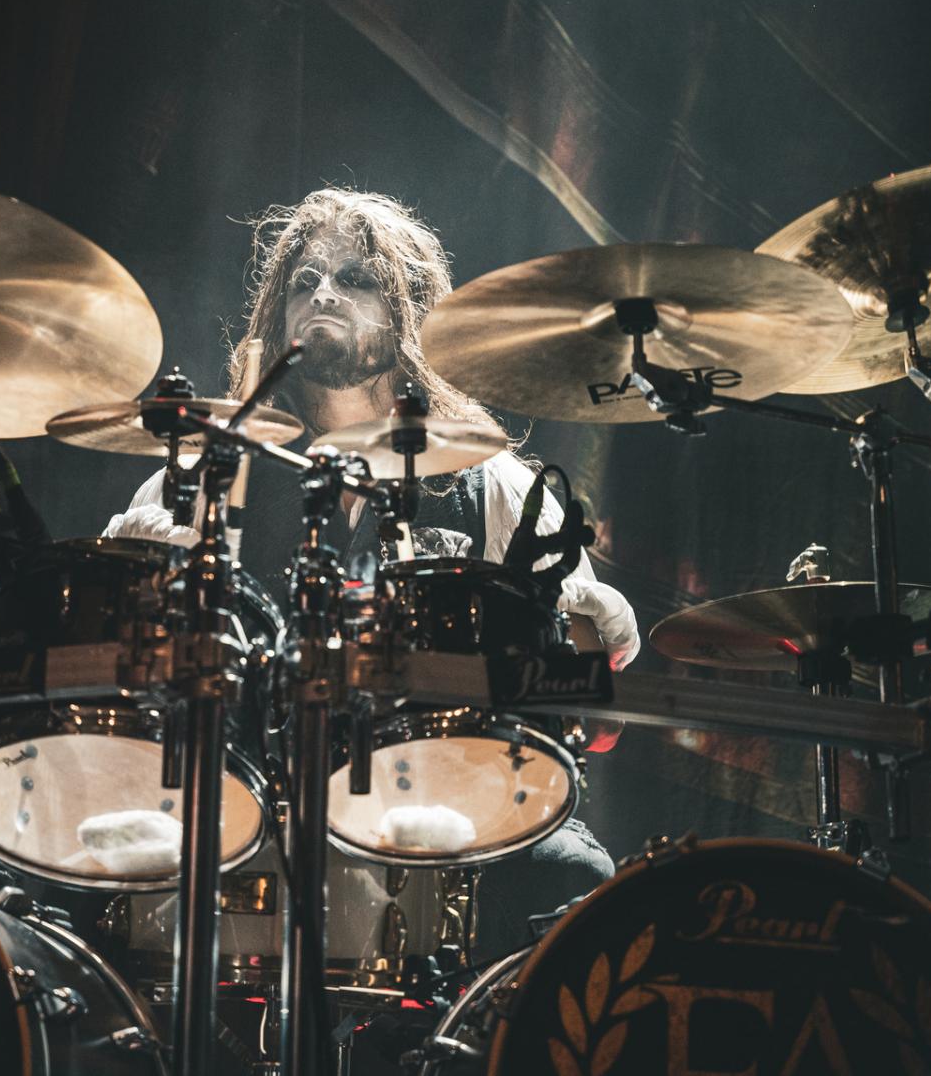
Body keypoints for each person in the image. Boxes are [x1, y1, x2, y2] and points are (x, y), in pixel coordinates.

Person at [104, 189, 639, 959]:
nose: (323, 292)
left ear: (409, 311)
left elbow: (592, 691)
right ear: (277, 317)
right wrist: (150, 557)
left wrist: (583, 623)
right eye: (304, 280)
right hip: (243, 800)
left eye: (354, 278)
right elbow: (117, 643)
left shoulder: (491, 482)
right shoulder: (213, 470)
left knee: (574, 876)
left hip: (447, 812)